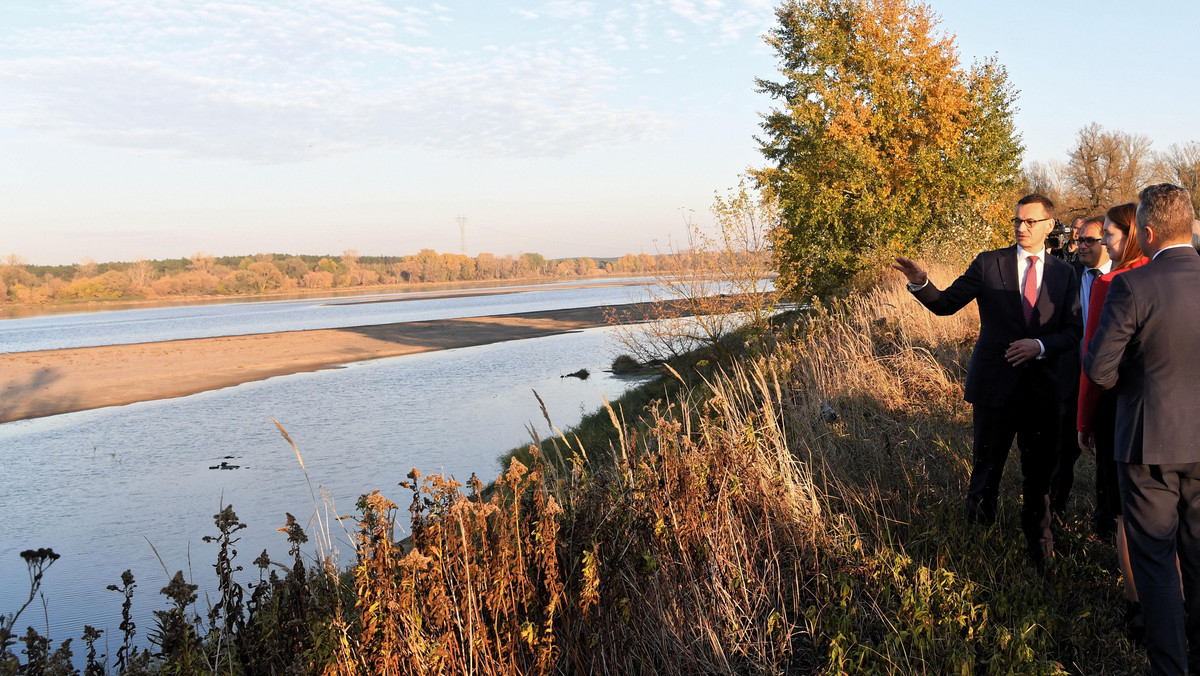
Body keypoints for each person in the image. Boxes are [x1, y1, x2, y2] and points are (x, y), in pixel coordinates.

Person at [894, 194, 1082, 568]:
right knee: (986, 468)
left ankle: (1040, 551)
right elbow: (947, 304)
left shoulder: (1065, 274)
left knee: (1039, 475)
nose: (1021, 227)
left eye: (1030, 222)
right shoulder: (988, 263)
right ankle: (977, 547)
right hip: (995, 388)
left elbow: (1074, 331)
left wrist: (1040, 345)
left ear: (1048, 226)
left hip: (1043, 392)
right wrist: (921, 283)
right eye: (1017, 221)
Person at [1085, 183, 1200, 674]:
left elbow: (1099, 369)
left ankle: (1169, 667)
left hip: (1147, 441)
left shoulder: (1133, 285)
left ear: (1148, 233)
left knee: (1154, 561)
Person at [1075, 203, 1145, 637]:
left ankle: (1136, 604)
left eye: (1111, 235)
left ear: (1135, 234)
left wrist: (1084, 419)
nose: (1103, 242)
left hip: (1119, 408)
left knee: (1124, 513)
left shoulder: (1113, 283)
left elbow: (1093, 362)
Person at [1050, 216, 1111, 515]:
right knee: (1061, 451)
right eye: (1079, 240)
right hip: (1070, 377)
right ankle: (1055, 511)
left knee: (1109, 457)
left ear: (1108, 243)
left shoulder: (1126, 278)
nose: (1080, 246)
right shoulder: (1067, 275)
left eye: (1089, 241)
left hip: (1112, 381)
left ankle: (1105, 521)